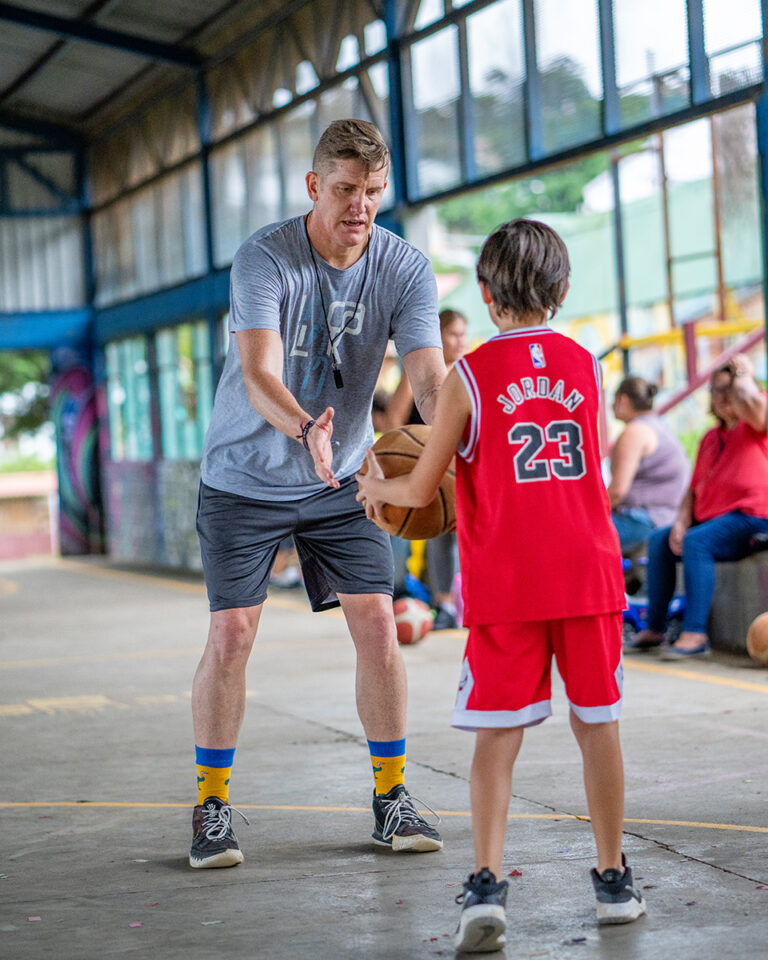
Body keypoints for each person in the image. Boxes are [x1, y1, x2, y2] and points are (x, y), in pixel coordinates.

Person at [356, 219, 646, 953]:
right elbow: (599, 478)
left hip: (507, 584)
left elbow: (423, 484)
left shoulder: (468, 378)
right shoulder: (586, 366)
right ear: (563, 291)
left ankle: (486, 883)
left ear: (485, 296)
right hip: (587, 572)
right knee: (597, 726)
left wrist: (374, 486)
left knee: (497, 737)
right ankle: (612, 879)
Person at [190, 119, 447, 869]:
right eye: (344, 190)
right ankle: (211, 807)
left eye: (372, 191)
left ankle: (392, 799)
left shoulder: (404, 268)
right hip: (245, 476)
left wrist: (458, 440)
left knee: (378, 622)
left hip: (347, 476)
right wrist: (306, 425)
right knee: (232, 635)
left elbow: (429, 378)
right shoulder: (264, 258)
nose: (359, 206)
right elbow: (262, 370)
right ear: (313, 187)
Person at [628, 355, 768, 660]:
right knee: (660, 539)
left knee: (697, 540)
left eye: (731, 389)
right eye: (718, 391)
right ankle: (654, 628)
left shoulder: (758, 421)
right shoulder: (709, 438)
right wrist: (679, 522)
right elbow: (692, 491)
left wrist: (742, 371)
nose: (726, 397)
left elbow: (751, 403)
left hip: (754, 517)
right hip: (715, 521)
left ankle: (695, 634)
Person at [385, 309, 470, 628]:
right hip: (419, 464)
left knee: (454, 534)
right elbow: (395, 419)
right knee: (408, 532)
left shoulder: (467, 372)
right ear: (439, 336)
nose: (460, 341)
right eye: (453, 334)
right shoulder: (418, 371)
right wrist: (409, 455)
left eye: (464, 334)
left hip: (455, 466)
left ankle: (450, 602)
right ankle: (398, 589)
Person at [608, 376, 690, 553]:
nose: (609, 406)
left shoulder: (635, 431)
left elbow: (617, 492)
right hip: (667, 517)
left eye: (612, 400)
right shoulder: (658, 426)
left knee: (573, 533)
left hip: (647, 521)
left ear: (623, 400)